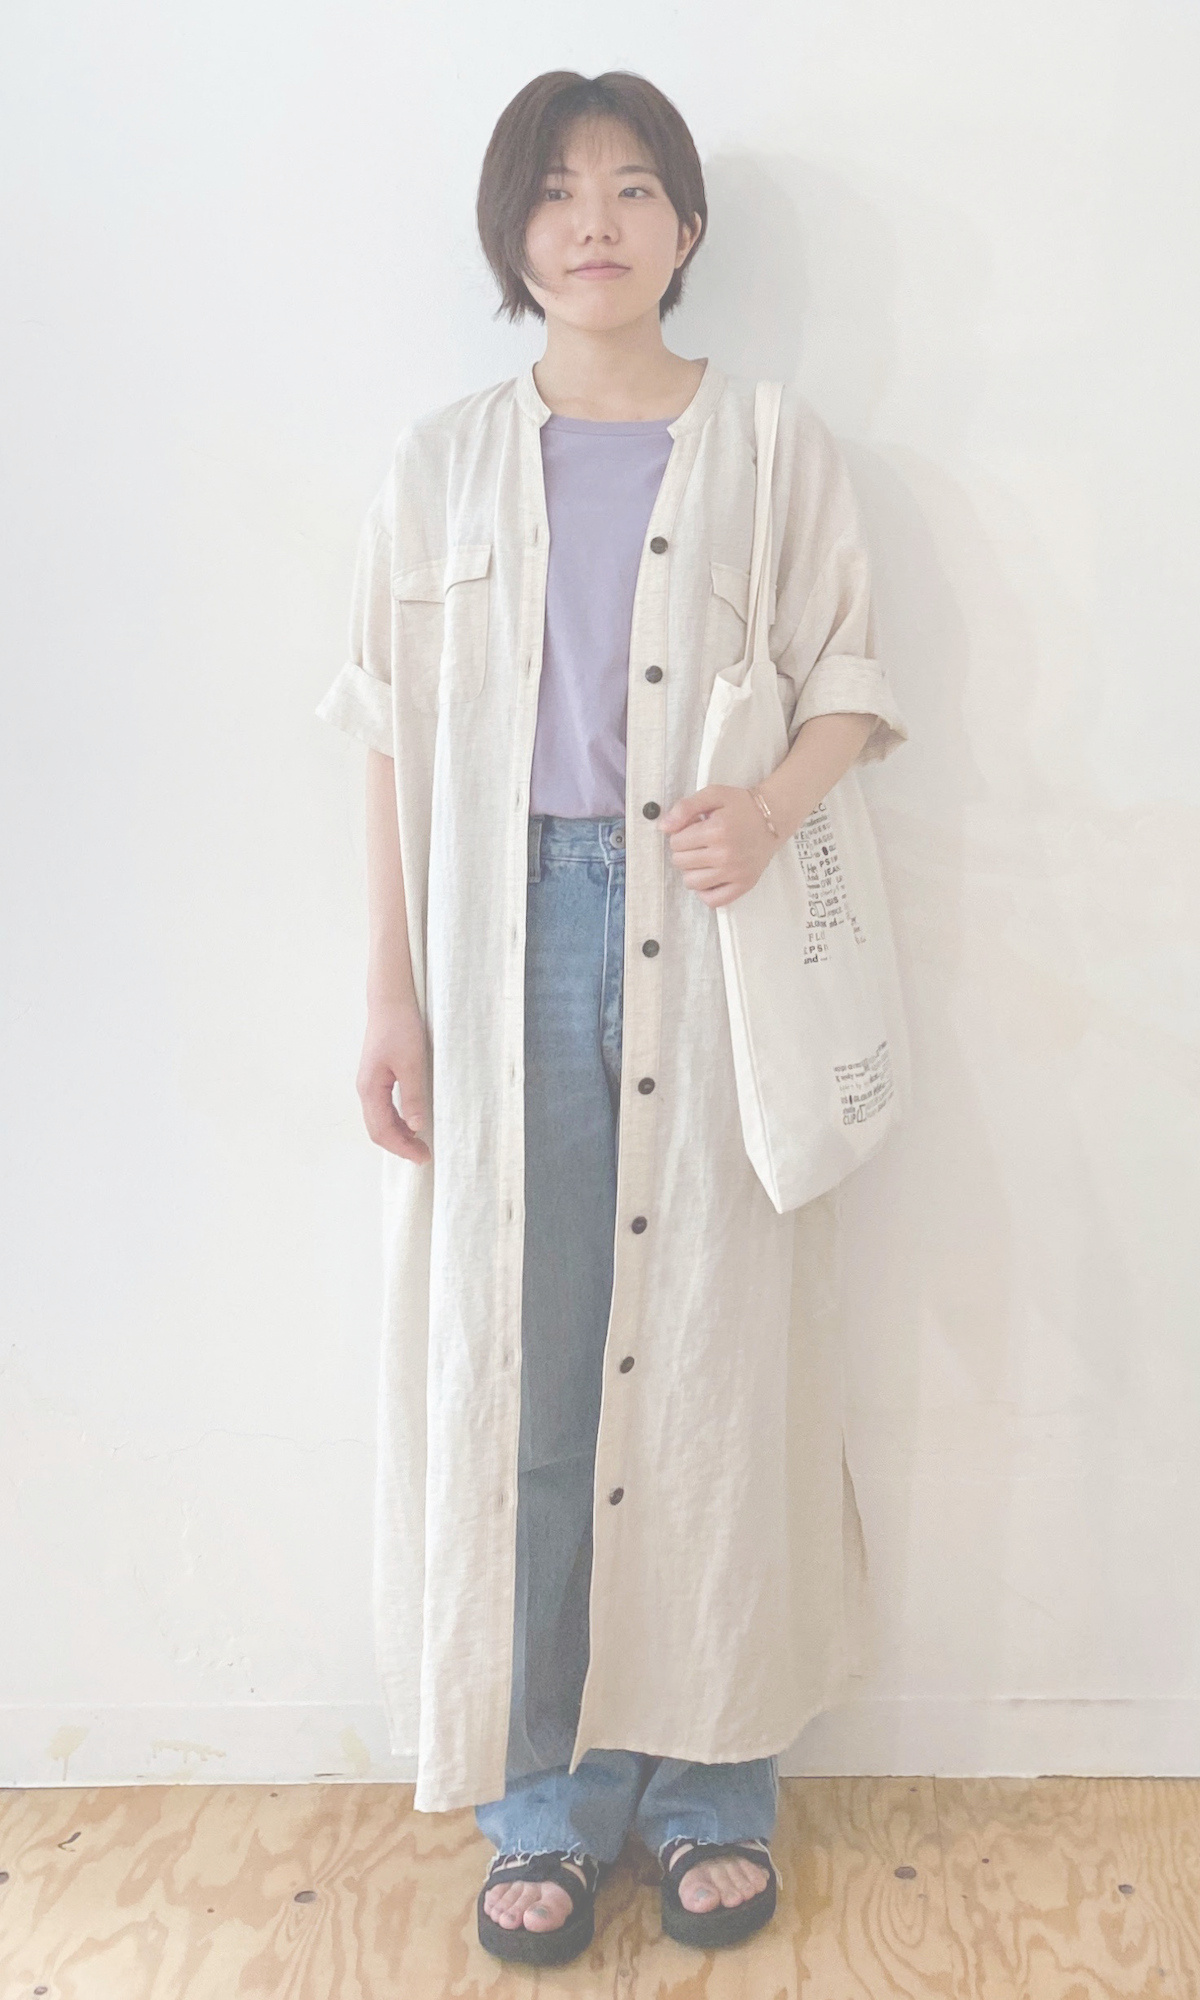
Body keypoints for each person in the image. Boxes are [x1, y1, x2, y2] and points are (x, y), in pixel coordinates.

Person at [316, 69, 908, 1969]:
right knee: (531, 1368)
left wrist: (773, 807)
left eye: (636, 188)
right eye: (560, 190)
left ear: (687, 229)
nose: (597, 220)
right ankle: (549, 1801)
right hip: (509, 939)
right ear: (513, 232)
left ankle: (716, 1781)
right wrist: (393, 991)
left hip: (713, 932)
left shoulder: (774, 445)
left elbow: (848, 678)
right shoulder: (440, 469)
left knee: (719, 1352)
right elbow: (388, 738)